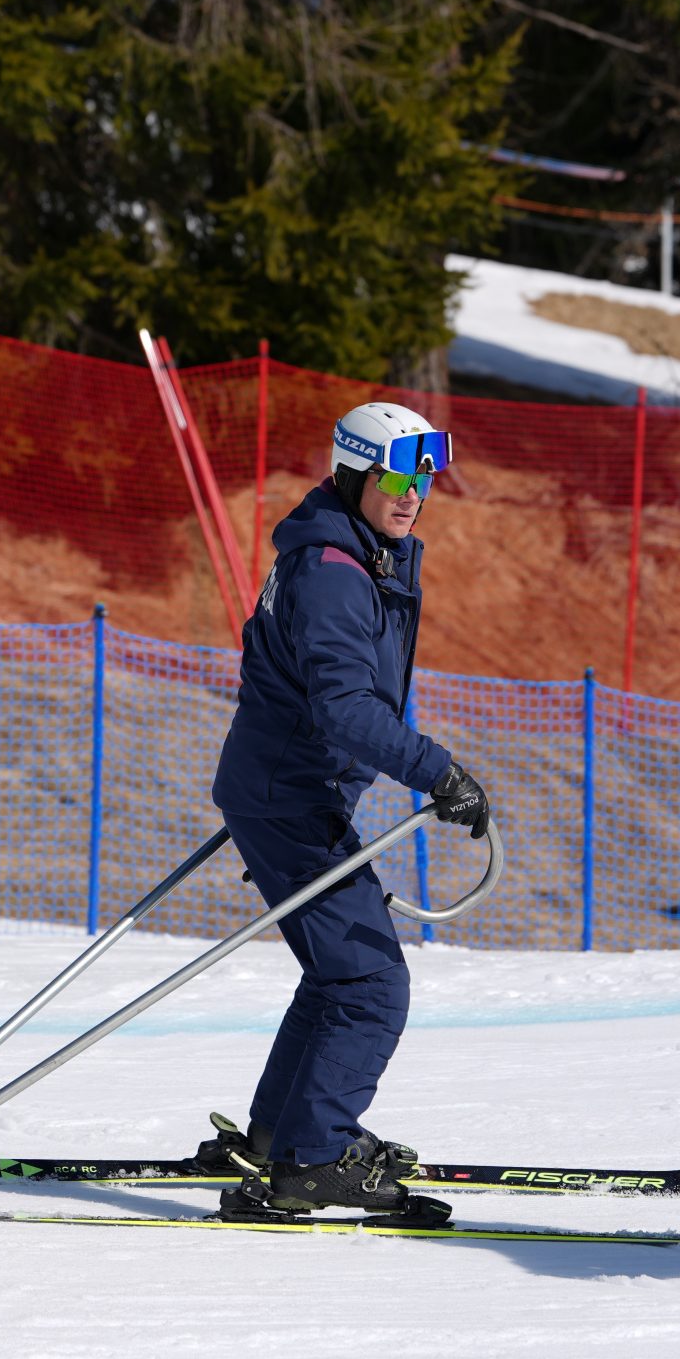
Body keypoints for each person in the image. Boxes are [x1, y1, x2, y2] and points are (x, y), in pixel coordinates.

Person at [201, 402, 491, 1215]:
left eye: (423, 476)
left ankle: (280, 1134)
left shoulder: (355, 551)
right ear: (357, 474)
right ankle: (314, 1156)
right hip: (290, 794)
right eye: (396, 476)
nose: (411, 494)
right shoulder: (334, 570)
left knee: (341, 975)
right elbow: (344, 708)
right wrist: (437, 771)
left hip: (288, 788)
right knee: (370, 983)